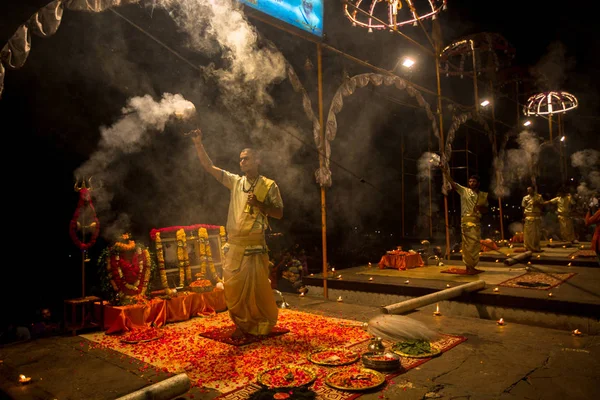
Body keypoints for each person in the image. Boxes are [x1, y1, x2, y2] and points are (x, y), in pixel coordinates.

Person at [189, 128, 283, 338]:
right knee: (232, 289)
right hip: (235, 246)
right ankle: (242, 323)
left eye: (246, 159)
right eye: (240, 160)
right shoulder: (235, 182)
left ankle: (259, 322)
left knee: (256, 292)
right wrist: (198, 143)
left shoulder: (269, 186)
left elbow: (279, 213)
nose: (242, 162)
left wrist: (260, 204)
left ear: (257, 160)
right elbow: (209, 167)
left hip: (255, 248)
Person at [441, 165, 489, 274]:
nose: (471, 183)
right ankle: (469, 267)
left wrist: (481, 208)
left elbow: (485, 210)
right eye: (470, 181)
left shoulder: (482, 195)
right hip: (467, 223)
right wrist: (445, 172)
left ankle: (472, 266)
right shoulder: (464, 191)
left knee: (476, 246)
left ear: (478, 183)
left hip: (477, 223)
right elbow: (453, 183)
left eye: (473, 181)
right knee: (468, 245)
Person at [521, 186, 545, 252]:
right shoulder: (525, 198)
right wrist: (523, 217)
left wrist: (537, 204)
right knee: (528, 233)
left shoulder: (539, 197)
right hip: (528, 217)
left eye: (530, 190)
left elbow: (542, 206)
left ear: (533, 190)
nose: (529, 191)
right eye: (528, 190)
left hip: (536, 217)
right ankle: (528, 247)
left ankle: (535, 246)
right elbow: (523, 207)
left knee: (536, 234)